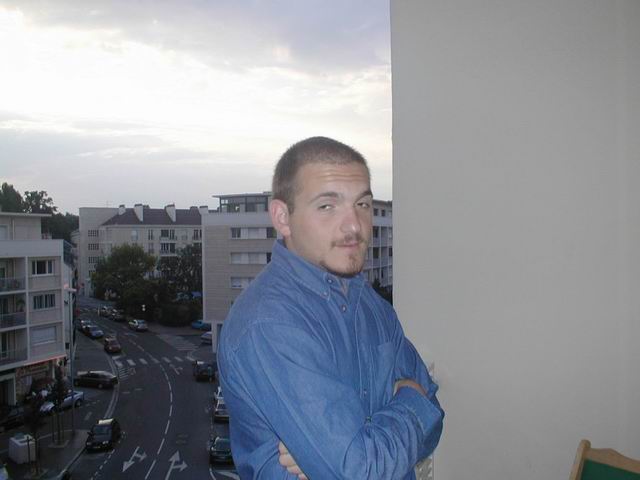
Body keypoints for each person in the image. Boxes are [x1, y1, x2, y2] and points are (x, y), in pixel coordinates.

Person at [218, 136, 444, 479]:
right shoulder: (269, 323)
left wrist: (350, 447)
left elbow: (436, 419)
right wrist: (412, 398)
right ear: (282, 217)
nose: (354, 225)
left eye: (362, 204)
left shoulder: (372, 306)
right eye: (327, 206)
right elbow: (359, 470)